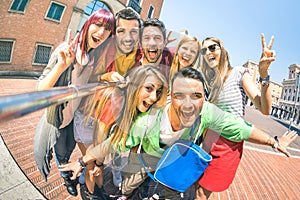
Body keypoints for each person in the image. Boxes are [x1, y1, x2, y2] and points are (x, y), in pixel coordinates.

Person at [59, 67, 297, 199]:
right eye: (182, 95)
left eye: (197, 96)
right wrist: (82, 161)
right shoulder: (148, 122)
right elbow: (113, 142)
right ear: (172, 96)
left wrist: (274, 142)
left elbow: (243, 129)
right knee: (122, 190)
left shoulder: (208, 113)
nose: (189, 104)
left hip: (174, 167)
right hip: (146, 159)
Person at [34, 8, 115, 197]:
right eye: (98, 25)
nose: (101, 33)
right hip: (57, 119)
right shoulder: (66, 51)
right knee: (60, 153)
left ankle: (69, 174)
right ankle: (66, 179)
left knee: (69, 150)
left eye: (107, 29)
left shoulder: (94, 57)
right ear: (88, 24)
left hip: (74, 118)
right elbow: (40, 91)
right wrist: (61, 66)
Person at [58, 65, 168, 198]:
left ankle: (99, 190)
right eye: (149, 88)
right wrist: (96, 163)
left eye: (158, 91)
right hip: (86, 123)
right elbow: (101, 136)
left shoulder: (132, 104)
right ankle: (91, 193)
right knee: (92, 166)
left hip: (100, 123)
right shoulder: (117, 100)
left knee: (100, 164)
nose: (154, 97)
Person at [196, 34, 276, 199]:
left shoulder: (239, 72)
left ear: (222, 50)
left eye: (212, 47)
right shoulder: (209, 82)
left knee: (201, 194)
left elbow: (265, 109)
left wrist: (264, 73)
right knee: (195, 184)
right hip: (207, 139)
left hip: (228, 143)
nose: (208, 52)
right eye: (204, 50)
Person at [93, 7, 143, 83]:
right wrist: (105, 77)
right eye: (121, 31)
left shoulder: (144, 56)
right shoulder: (102, 49)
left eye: (133, 32)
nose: (128, 38)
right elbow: (87, 79)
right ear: (114, 33)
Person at [136, 18, 174, 82]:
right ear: (141, 42)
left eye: (157, 38)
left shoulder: (171, 60)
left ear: (164, 42)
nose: (152, 43)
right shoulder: (132, 64)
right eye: (147, 38)